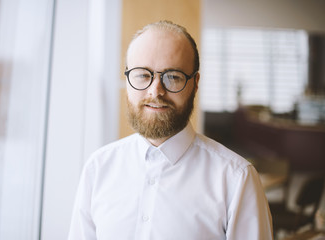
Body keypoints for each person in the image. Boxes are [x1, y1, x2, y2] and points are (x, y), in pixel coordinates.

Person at [68, 20, 273, 240]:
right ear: (127, 79)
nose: (155, 91)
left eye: (173, 77)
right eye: (143, 75)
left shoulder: (236, 179)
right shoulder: (98, 168)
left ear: (195, 83)